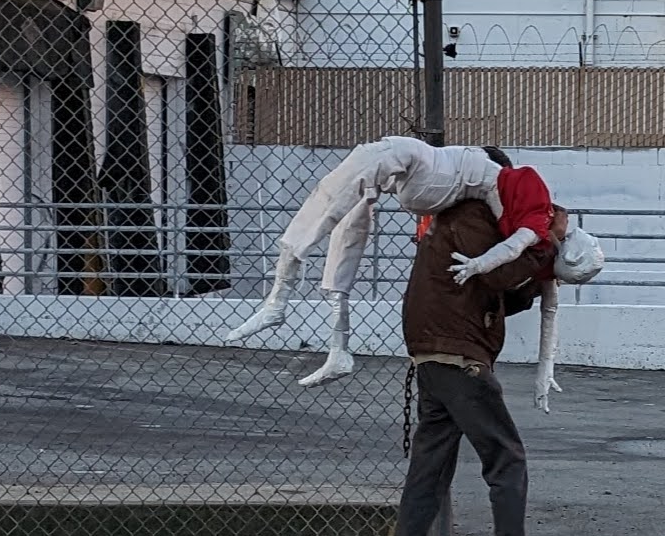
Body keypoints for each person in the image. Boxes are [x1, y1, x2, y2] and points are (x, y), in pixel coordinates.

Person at [374, 196, 582, 536]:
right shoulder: (471, 216)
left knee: (430, 470)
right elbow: (499, 276)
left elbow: (493, 295)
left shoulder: (451, 222)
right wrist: (547, 242)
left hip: (439, 356)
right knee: (506, 459)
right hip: (459, 359)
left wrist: (538, 274)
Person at [225, 136, 562, 386]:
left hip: (425, 176)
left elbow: (539, 282)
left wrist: (484, 263)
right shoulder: (499, 204)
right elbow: (546, 296)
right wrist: (544, 371)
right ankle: (334, 344)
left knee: (338, 194)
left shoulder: (496, 202)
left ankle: (281, 301)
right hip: (426, 180)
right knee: (350, 217)